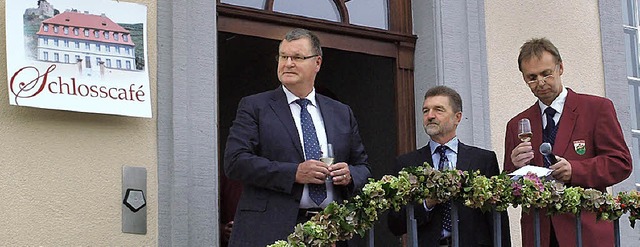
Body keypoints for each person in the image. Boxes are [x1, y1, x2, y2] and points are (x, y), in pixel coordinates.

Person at [224, 28, 372, 247]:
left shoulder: (341, 112)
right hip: (272, 230)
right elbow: (235, 162)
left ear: (317, 63)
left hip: (333, 231)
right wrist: (294, 173)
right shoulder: (255, 107)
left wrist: (350, 175)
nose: (288, 63)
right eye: (283, 56)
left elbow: (364, 167)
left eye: (297, 57)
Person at [504, 38, 632, 247]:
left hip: (586, 232)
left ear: (561, 67)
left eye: (547, 73)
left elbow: (620, 163)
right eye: (532, 77)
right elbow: (510, 189)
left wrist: (575, 170)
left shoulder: (596, 108)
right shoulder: (516, 124)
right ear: (524, 78)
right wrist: (514, 167)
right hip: (540, 234)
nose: (541, 82)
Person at [388, 86, 511, 247]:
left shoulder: (483, 160)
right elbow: (395, 223)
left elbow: (497, 218)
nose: (430, 116)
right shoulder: (407, 163)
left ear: (457, 117)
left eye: (438, 110)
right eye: (425, 111)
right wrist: (427, 203)